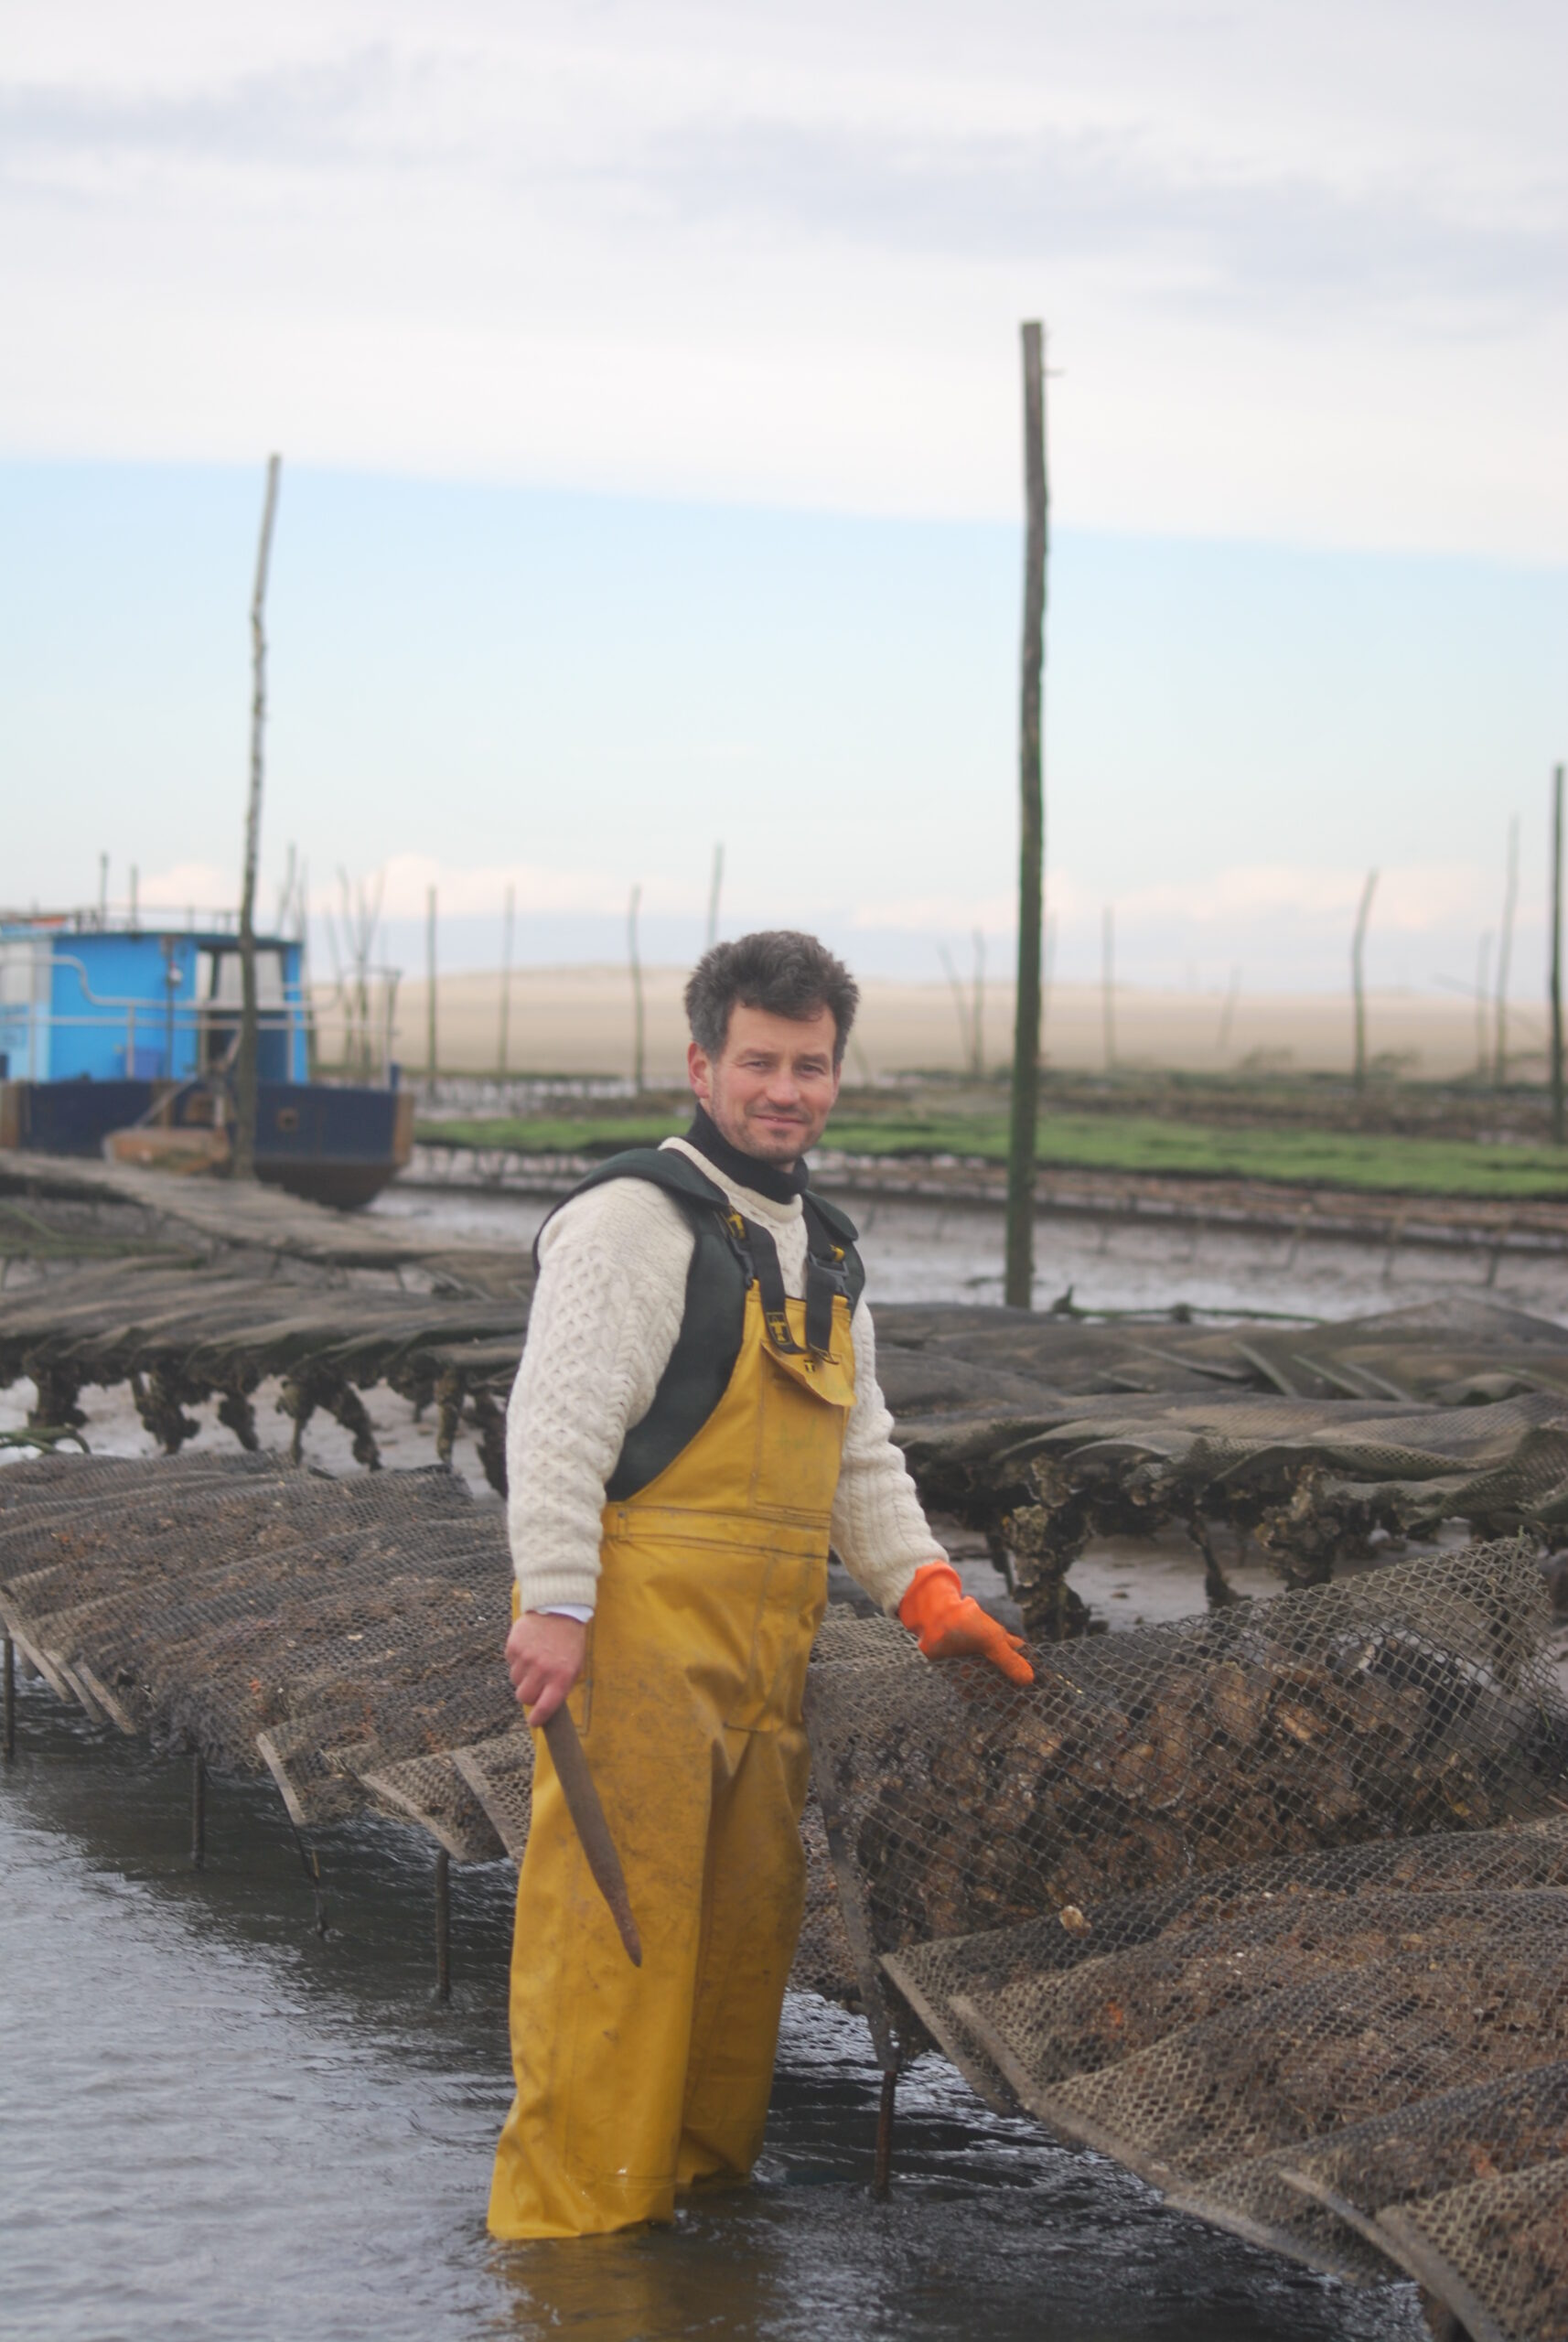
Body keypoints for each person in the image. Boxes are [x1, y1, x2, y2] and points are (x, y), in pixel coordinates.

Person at [489, 929, 1032, 2240]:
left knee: (737, 1944)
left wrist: (922, 1591)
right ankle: (572, 2246)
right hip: (633, 1641)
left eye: (810, 1064)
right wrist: (554, 1605)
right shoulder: (633, 1217)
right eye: (758, 1062)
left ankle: (692, 2208)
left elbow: (857, 1449)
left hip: (766, 1649)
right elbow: (554, 1424)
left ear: (836, 1073)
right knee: (618, 1938)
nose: (784, 1088)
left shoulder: (824, 1251)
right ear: (701, 1062)